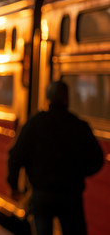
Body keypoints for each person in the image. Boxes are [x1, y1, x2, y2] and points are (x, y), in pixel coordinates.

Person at [7, 81, 104, 235]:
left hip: (42, 194)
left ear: (48, 99)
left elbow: (15, 156)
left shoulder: (34, 124)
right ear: (67, 100)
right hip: (71, 196)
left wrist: (13, 185)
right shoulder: (79, 126)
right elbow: (98, 159)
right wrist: (80, 173)